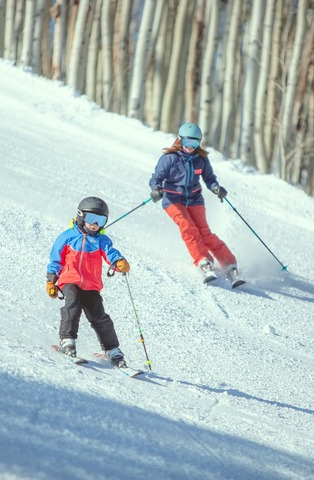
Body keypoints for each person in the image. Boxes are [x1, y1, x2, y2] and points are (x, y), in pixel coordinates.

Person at [148, 122, 241, 285]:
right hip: (172, 200)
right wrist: (156, 189)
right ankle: (203, 261)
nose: (190, 147)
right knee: (187, 227)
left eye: (194, 144)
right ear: (179, 140)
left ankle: (230, 264)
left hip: (194, 199)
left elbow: (209, 179)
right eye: (186, 143)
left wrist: (216, 188)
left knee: (204, 233)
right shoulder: (170, 158)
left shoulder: (201, 159)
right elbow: (156, 178)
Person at [46, 197, 131, 367]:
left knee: (99, 316)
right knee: (72, 307)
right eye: (91, 219)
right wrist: (51, 281)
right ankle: (67, 340)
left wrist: (118, 262)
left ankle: (112, 349)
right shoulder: (67, 237)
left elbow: (110, 253)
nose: (94, 225)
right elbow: (55, 260)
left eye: (100, 221)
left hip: (91, 285)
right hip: (70, 280)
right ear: (81, 216)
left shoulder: (101, 240)